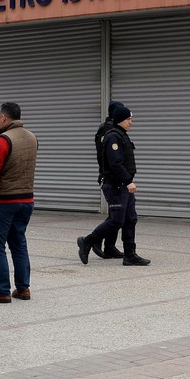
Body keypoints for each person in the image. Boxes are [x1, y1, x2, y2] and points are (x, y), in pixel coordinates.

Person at [0, 102, 38, 304]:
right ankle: (23, 288)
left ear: (3, 117)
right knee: (19, 244)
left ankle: (1, 290)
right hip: (26, 199)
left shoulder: (1, 142)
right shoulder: (32, 138)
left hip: (1, 202)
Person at [78, 103, 150, 266]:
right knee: (116, 220)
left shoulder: (122, 134)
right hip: (116, 184)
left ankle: (130, 254)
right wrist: (128, 181)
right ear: (120, 119)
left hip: (123, 185)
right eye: (128, 119)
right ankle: (88, 241)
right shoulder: (112, 136)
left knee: (130, 219)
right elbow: (116, 163)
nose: (131, 122)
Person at [91, 100, 125, 260]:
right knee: (116, 215)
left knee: (115, 213)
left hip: (110, 176)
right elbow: (111, 158)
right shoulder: (109, 130)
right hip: (112, 178)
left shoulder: (105, 128)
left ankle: (109, 246)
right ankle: (93, 239)